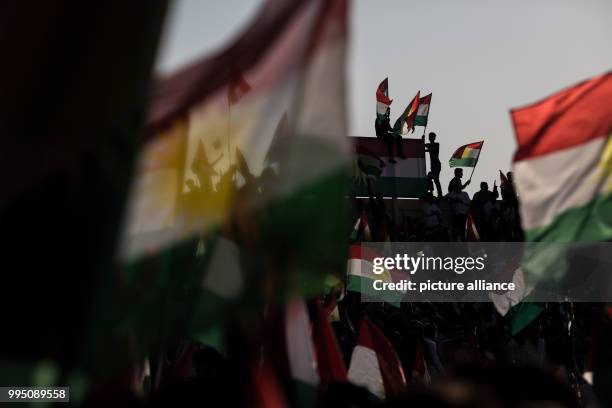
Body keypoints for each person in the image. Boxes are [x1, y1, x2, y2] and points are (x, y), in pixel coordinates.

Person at [422, 132, 443, 197]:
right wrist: (422, 140)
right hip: (433, 165)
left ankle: (440, 194)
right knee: (429, 178)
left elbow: (431, 149)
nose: (430, 138)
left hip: (436, 164)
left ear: (434, 138)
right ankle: (430, 192)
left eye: (432, 137)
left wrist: (426, 149)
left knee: (436, 179)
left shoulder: (436, 144)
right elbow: (424, 146)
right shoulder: (429, 145)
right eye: (430, 137)